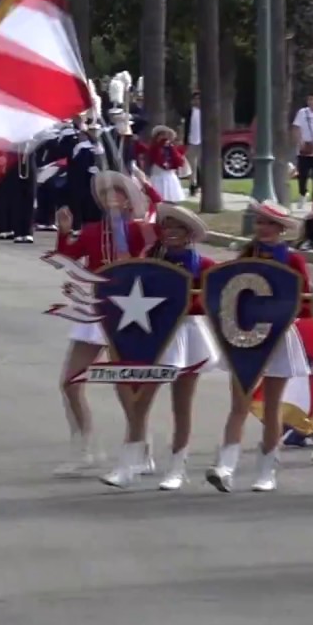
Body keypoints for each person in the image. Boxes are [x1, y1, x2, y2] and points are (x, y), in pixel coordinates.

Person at [102, 204, 221, 490]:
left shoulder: (203, 265)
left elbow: (212, 301)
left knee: (182, 405)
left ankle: (177, 468)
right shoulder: (151, 260)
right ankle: (129, 464)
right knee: (140, 400)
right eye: (166, 227)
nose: (170, 232)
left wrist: (183, 302)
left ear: (189, 233)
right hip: (155, 336)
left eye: (177, 227)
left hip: (187, 335)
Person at [207, 201, 311, 493]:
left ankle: (267, 470)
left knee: (272, 406)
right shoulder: (245, 255)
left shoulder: (293, 260)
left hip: (278, 335)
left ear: (282, 229)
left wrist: (283, 313)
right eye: (260, 222)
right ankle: (225, 467)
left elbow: (306, 301)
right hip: (244, 336)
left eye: (270, 224)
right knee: (239, 403)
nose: (264, 228)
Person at [53, 172, 150, 477]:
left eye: (117, 193)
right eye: (105, 193)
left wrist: (147, 194)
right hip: (95, 309)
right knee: (70, 381)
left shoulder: (140, 231)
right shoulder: (93, 230)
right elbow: (68, 256)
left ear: (129, 200)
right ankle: (85, 447)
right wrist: (64, 231)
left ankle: (140, 449)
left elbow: (158, 253)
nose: (110, 197)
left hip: (129, 311)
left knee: (126, 385)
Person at [137, 125, 187, 203]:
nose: (164, 137)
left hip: (170, 175)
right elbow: (154, 157)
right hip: (158, 174)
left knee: (171, 199)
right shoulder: (154, 147)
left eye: (165, 135)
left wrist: (171, 148)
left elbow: (179, 161)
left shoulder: (171, 148)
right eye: (161, 135)